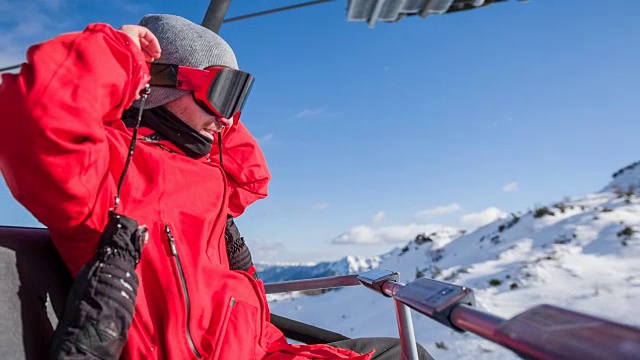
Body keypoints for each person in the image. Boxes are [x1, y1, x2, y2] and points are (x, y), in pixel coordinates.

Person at [0, 14, 432, 360]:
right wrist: (124, 56)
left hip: (260, 348)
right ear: (159, 85)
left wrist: (214, 108)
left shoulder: (210, 177)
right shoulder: (108, 166)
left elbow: (252, 177)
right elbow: (39, 119)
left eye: (238, 98)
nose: (230, 119)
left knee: (409, 352)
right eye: (223, 92)